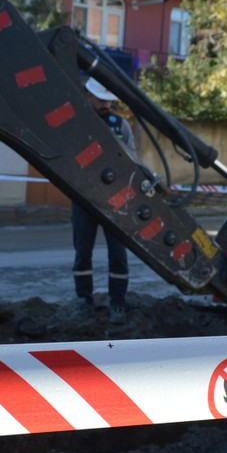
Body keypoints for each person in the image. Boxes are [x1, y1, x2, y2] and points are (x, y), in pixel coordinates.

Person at [71, 77, 137, 324]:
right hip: (84, 198)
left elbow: (133, 162)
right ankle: (83, 301)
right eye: (100, 100)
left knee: (118, 254)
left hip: (116, 201)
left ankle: (117, 302)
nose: (105, 105)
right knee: (82, 252)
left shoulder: (121, 126)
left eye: (108, 101)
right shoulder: (77, 126)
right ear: (88, 96)